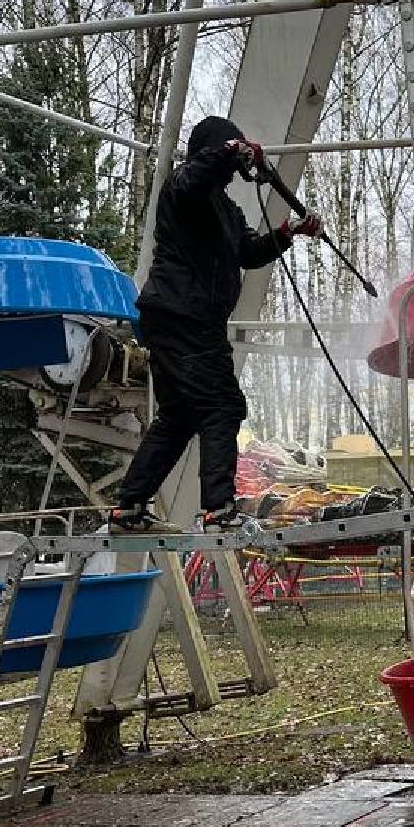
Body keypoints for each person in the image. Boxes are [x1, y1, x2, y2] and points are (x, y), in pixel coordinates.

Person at [111, 116, 322, 530]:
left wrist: (288, 231)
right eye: (233, 148)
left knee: (179, 417)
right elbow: (196, 175)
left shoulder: (226, 207)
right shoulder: (183, 186)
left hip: (182, 319)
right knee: (223, 406)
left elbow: (249, 253)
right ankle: (219, 509)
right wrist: (228, 150)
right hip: (186, 318)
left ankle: (129, 506)